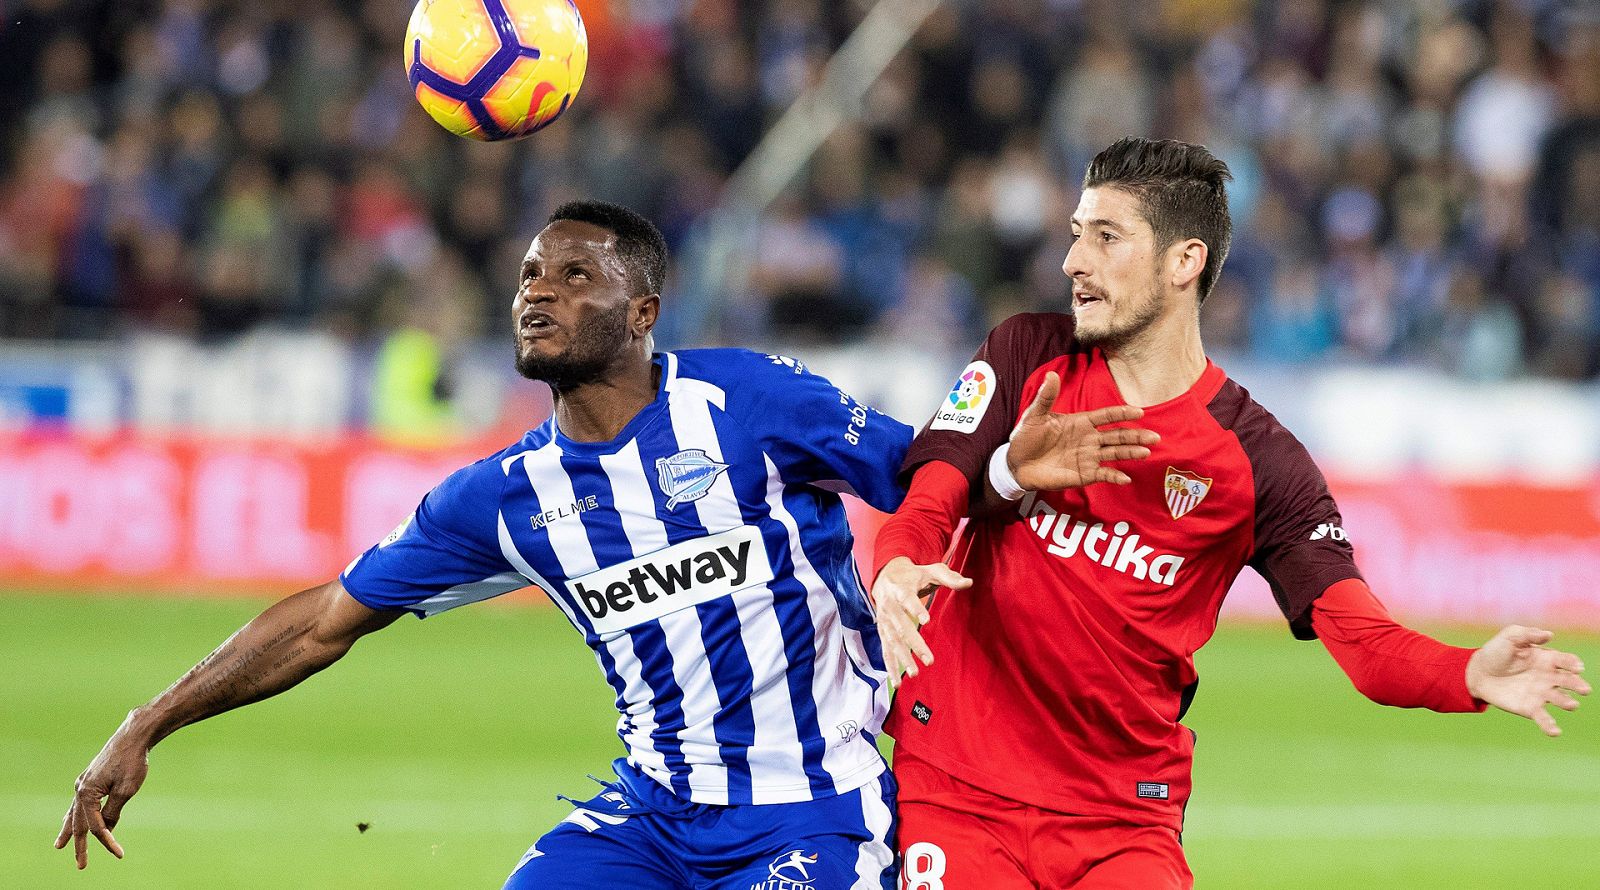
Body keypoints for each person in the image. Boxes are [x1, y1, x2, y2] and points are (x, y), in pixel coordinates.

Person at [57, 200, 908, 889]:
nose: (540, 293)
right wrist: (148, 722)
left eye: (577, 276)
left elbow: (929, 474)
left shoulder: (749, 401)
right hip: (653, 819)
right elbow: (323, 621)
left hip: (815, 807)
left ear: (643, 313)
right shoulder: (501, 498)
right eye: (531, 274)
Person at [868, 137, 1591, 889]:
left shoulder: (1261, 462)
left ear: (1184, 262)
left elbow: (1363, 642)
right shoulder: (1025, 356)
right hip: (958, 795)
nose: (1073, 261)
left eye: (1106, 237)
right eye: (1077, 232)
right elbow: (927, 503)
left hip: (1122, 825)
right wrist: (895, 565)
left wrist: (1466, 670)